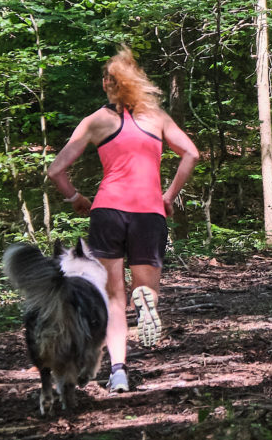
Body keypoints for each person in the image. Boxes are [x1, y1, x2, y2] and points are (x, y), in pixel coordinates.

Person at [46, 46, 199, 393]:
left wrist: (76, 198)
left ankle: (118, 372)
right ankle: (145, 302)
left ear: (107, 84)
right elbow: (191, 153)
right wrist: (168, 197)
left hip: (108, 211)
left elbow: (56, 170)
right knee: (144, 288)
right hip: (149, 212)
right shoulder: (156, 118)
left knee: (112, 299)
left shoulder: (96, 121)